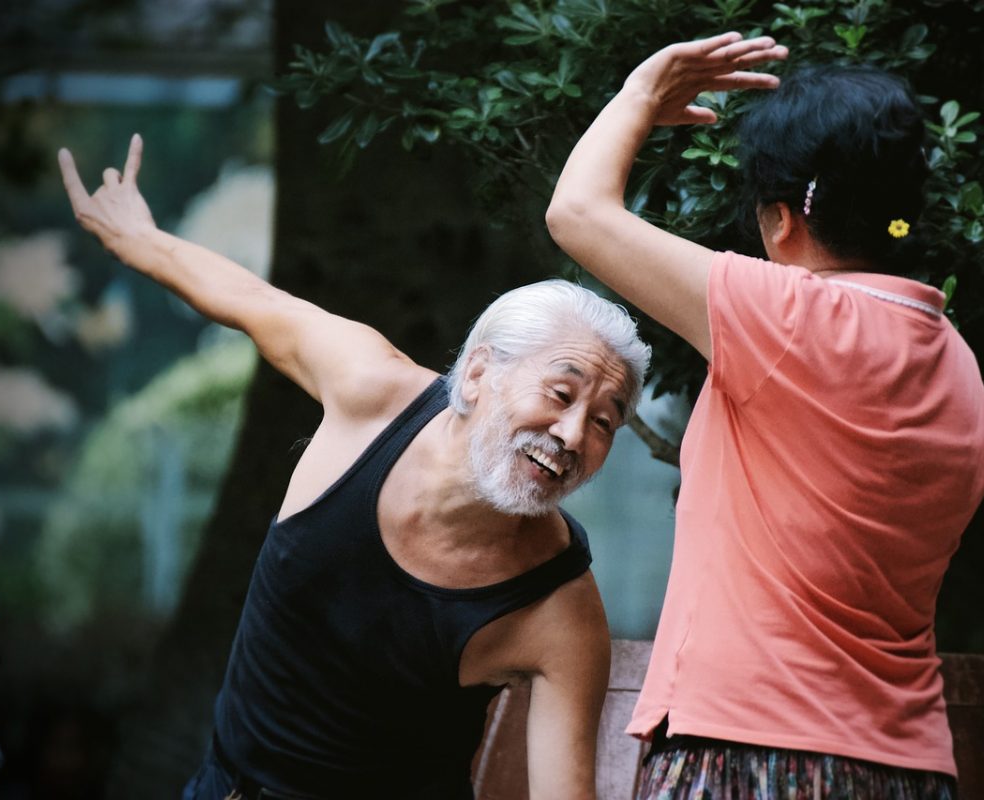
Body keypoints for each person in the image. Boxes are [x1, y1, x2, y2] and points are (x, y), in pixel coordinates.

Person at [58, 135, 651, 799]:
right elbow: (253, 300)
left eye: (604, 422)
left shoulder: (560, 609)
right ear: (481, 370)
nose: (572, 435)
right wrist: (136, 237)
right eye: (560, 393)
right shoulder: (371, 391)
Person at [546, 33, 984, 799]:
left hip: (746, 754)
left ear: (783, 219)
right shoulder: (959, 366)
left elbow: (578, 212)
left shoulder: (787, 318)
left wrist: (640, 94)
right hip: (909, 768)